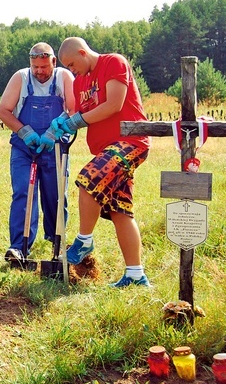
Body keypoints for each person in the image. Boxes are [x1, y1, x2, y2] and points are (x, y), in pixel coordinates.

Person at [48, 37, 152, 287]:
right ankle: (135, 275)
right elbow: (82, 112)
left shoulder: (114, 62)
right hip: (106, 149)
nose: (71, 70)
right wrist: (64, 120)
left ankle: (84, 240)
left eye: (72, 64)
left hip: (130, 141)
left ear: (83, 53)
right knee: (120, 211)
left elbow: (114, 104)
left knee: (87, 180)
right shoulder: (80, 82)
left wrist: (76, 121)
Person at [0, 42, 75, 266]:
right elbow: (3, 110)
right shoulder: (20, 78)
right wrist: (23, 130)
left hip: (55, 146)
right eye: (35, 67)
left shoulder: (64, 77)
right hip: (24, 147)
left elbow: (74, 109)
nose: (39, 71)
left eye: (43, 66)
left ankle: (57, 243)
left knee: (56, 195)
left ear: (53, 62)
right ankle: (19, 247)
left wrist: (56, 129)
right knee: (23, 193)